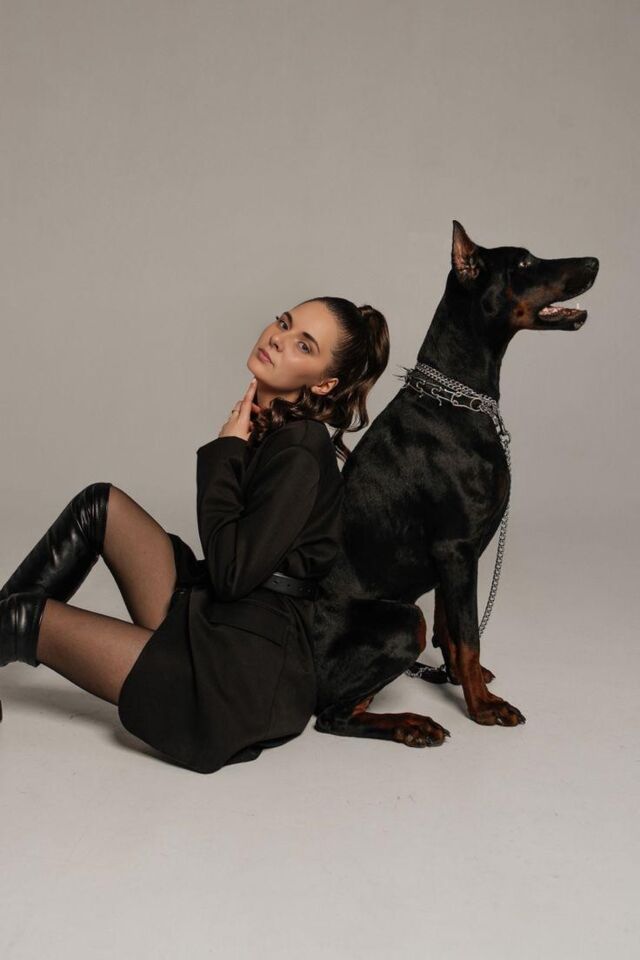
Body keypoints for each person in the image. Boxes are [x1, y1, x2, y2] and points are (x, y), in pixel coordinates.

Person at [0, 297, 389, 773]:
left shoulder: (301, 451)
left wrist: (227, 450)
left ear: (324, 383)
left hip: (240, 675)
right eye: (284, 324)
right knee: (98, 507)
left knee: (24, 618)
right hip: (222, 619)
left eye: (303, 345)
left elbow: (231, 573)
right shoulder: (275, 427)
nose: (277, 339)